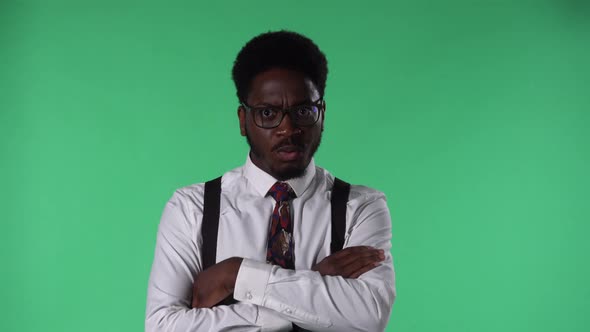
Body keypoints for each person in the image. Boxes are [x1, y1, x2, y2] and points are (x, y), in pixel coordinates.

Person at [145, 30, 396, 332]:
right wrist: (311, 287)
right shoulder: (192, 208)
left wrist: (237, 276)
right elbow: (163, 326)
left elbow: (369, 315)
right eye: (267, 113)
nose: (288, 129)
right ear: (243, 120)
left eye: (303, 111)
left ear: (322, 114)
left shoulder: (361, 207)